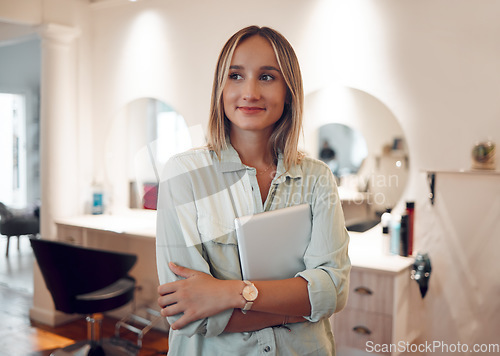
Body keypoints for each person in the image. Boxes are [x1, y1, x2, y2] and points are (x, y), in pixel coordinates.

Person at [156, 25, 351, 355]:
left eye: (267, 77)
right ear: (220, 88)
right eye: (235, 75)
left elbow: (333, 291)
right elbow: (188, 314)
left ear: (288, 90)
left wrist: (229, 293)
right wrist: (298, 308)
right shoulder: (185, 175)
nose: (250, 92)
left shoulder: (317, 178)